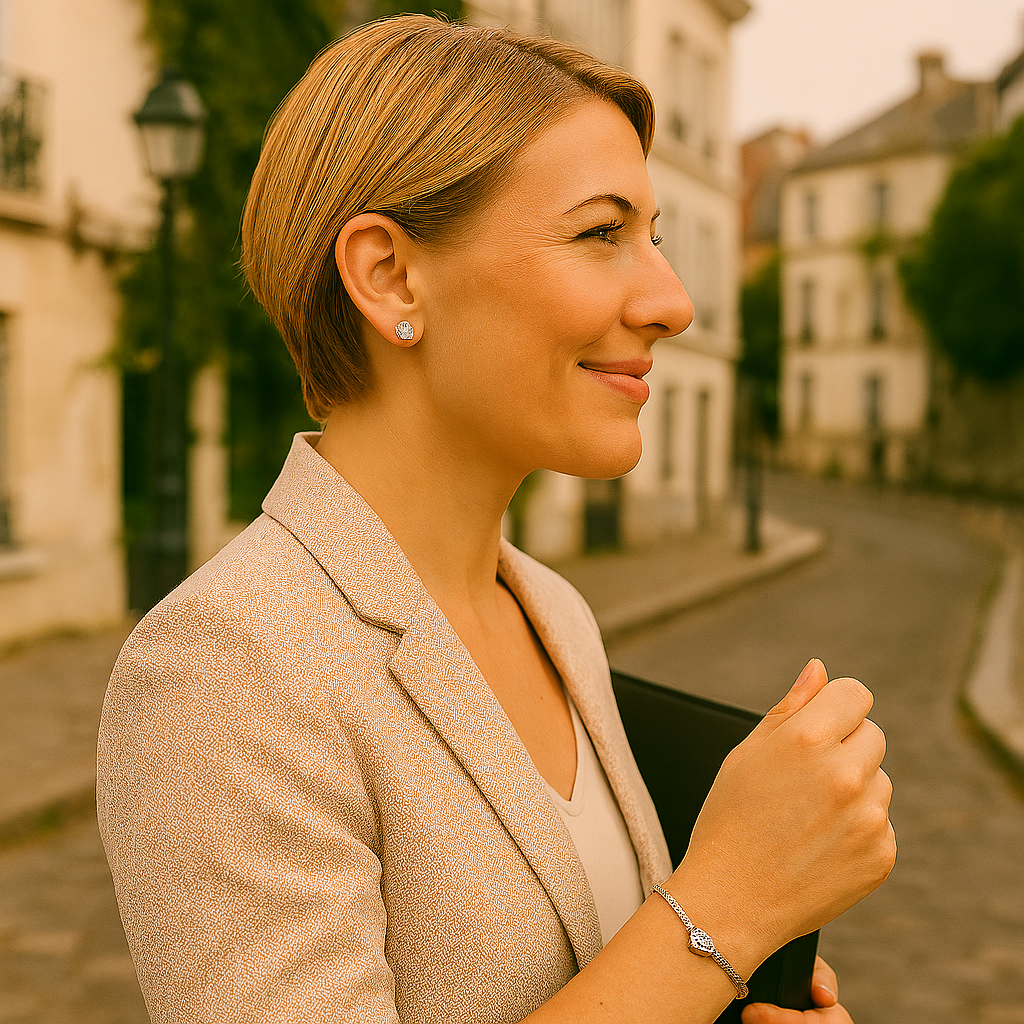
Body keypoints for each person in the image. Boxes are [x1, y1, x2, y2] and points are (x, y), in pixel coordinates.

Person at [96, 15, 895, 1024]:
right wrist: (726, 905)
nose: (671, 300)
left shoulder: (554, 612)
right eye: (601, 232)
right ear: (389, 274)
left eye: (654, 237)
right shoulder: (225, 666)